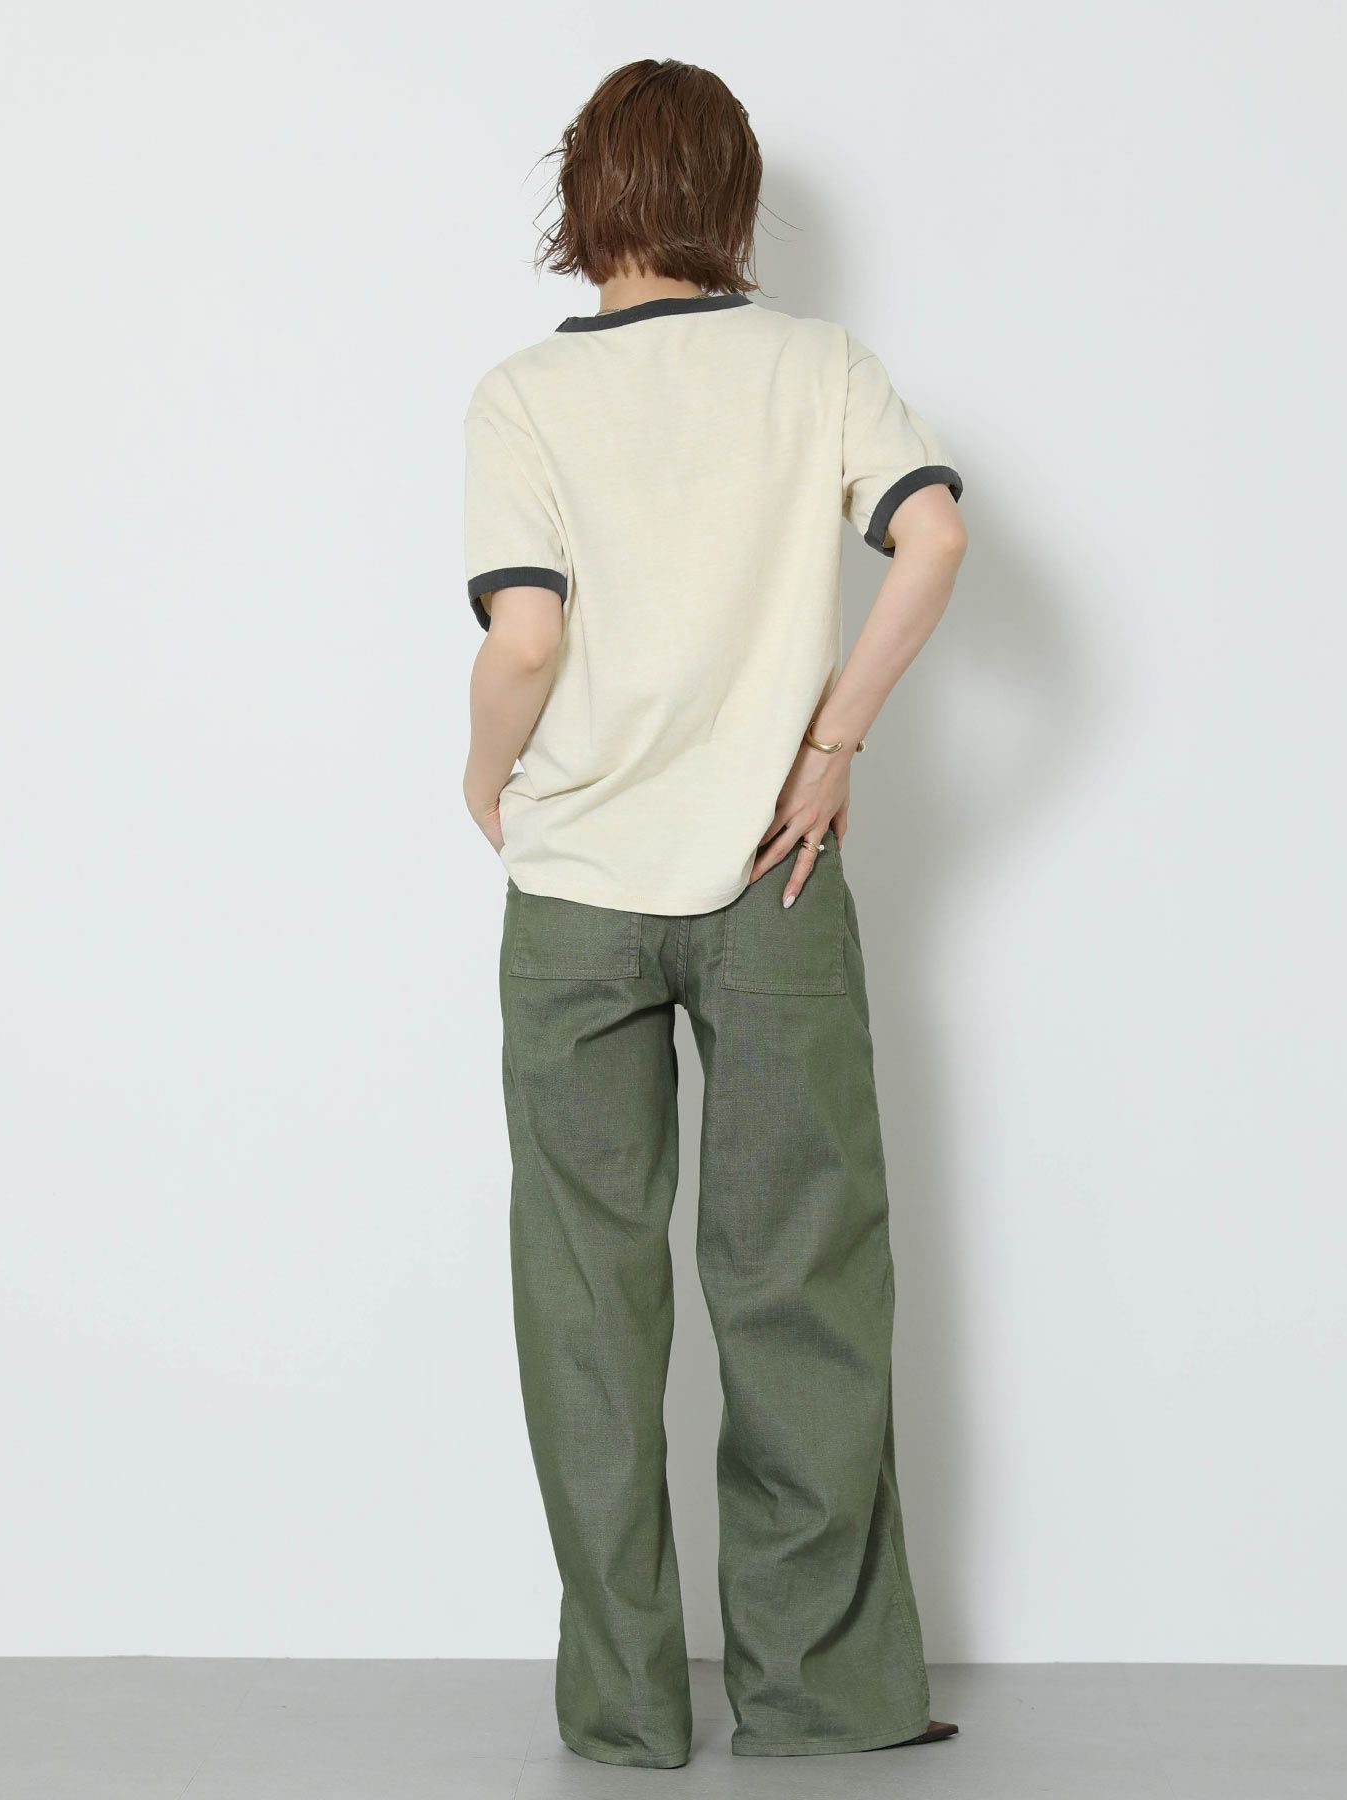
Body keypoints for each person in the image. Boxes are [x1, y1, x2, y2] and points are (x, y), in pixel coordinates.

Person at [461, 58, 968, 1768]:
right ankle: (818, 1694)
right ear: (731, 200)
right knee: (801, 1280)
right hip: (776, 878)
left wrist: (485, 776)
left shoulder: (525, 394)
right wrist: (833, 741)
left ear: (584, 195)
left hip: (576, 892)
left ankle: (622, 1709)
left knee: (586, 1305)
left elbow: (525, 638)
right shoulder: (816, 366)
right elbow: (931, 537)